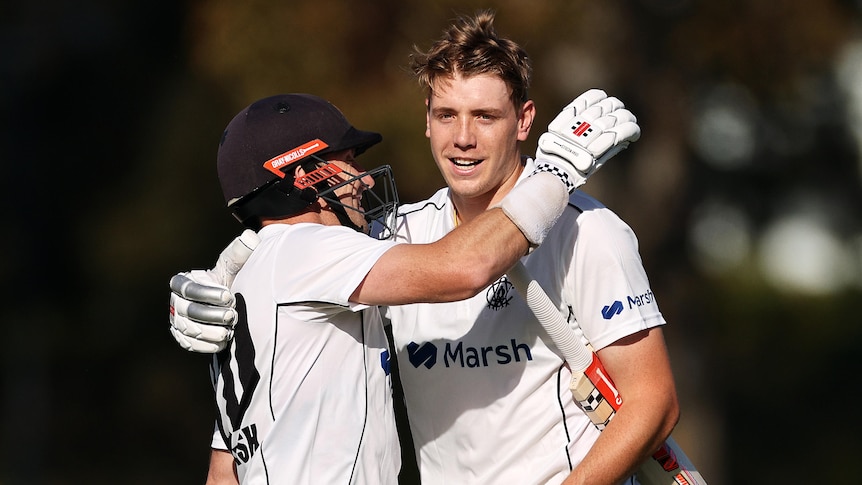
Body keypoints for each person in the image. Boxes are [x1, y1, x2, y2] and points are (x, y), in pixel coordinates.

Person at [171, 10, 673, 485]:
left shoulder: (588, 231)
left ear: (524, 122)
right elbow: (292, 258)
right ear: (426, 121)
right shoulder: (395, 234)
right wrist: (224, 274)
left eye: (485, 116)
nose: (463, 138)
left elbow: (653, 403)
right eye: (447, 114)